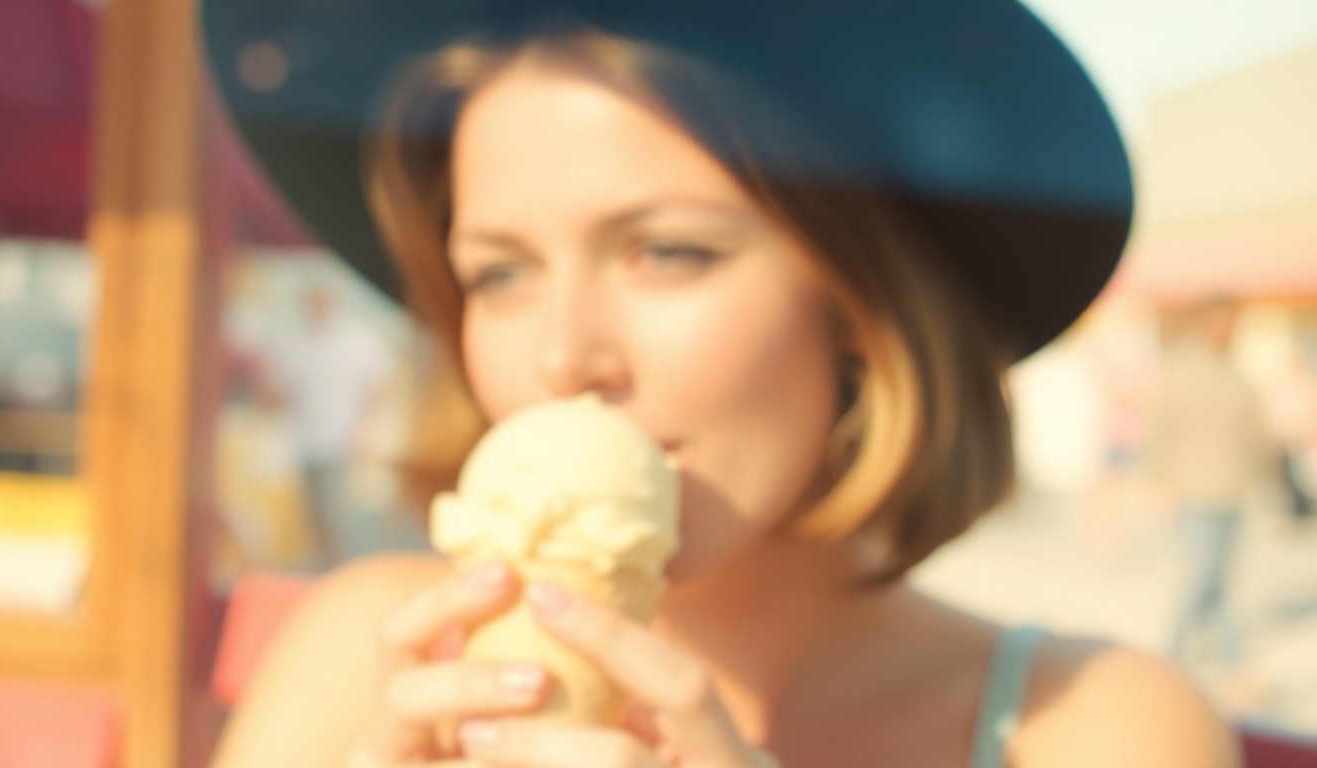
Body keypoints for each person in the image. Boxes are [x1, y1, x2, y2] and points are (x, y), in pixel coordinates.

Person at [203, 2, 1239, 765]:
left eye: (667, 253)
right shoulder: (366, 664)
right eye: (501, 274)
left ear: (858, 301)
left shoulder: (1100, 730)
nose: (565, 358)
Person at [1148, 296, 1271, 668]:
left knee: (1219, 579)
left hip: (1232, 490)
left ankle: (1228, 655)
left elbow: (1254, 435)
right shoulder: (1183, 371)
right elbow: (1160, 431)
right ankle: (1172, 654)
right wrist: (1159, 481)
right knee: (1201, 576)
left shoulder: (1234, 372)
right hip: (1194, 490)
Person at [263, 283, 391, 568]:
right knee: (313, 512)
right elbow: (277, 392)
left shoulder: (355, 340)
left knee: (335, 510)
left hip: (342, 439)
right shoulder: (295, 343)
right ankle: (327, 566)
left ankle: (341, 567)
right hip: (307, 440)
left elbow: (377, 385)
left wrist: (363, 428)